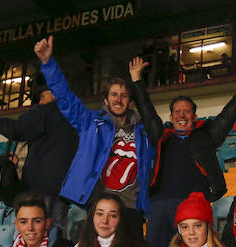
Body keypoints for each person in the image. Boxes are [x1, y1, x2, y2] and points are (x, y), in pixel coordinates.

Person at [130, 56, 236, 247]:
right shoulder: (161, 137)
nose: (182, 115)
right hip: (159, 208)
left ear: (195, 117)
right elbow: (147, 111)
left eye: (187, 112)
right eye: (177, 112)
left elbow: (229, 114)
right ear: (171, 117)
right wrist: (136, 80)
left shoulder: (206, 137)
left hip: (192, 208)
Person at [34, 36, 154, 217]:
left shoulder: (144, 130)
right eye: (114, 94)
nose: (118, 99)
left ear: (130, 101)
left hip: (131, 209)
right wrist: (48, 63)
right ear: (105, 100)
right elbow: (66, 98)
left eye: (123, 95)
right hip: (96, 207)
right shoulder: (90, 122)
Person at [0, 82, 78, 240]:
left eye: (43, 97)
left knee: (30, 241)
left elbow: (19, 129)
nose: (40, 102)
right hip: (62, 191)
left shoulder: (47, 111)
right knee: (57, 241)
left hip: (38, 190)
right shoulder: (74, 117)